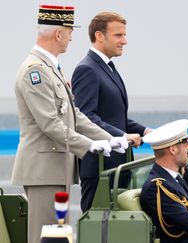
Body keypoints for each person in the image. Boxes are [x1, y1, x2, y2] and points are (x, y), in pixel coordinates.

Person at [12, 5, 128, 243]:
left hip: (56, 169)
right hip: (43, 171)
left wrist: (107, 137)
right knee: (44, 236)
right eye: (68, 31)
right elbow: (50, 123)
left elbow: (74, 114)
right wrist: (89, 145)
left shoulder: (49, 68)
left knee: (58, 235)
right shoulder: (35, 71)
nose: (71, 37)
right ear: (58, 34)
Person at [71, 12, 150, 212]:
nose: (125, 41)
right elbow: (86, 117)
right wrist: (123, 136)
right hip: (100, 168)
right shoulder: (87, 69)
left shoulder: (107, 67)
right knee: (96, 230)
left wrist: (145, 131)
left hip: (117, 166)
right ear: (99, 36)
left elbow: (115, 116)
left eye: (124, 35)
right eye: (118, 35)